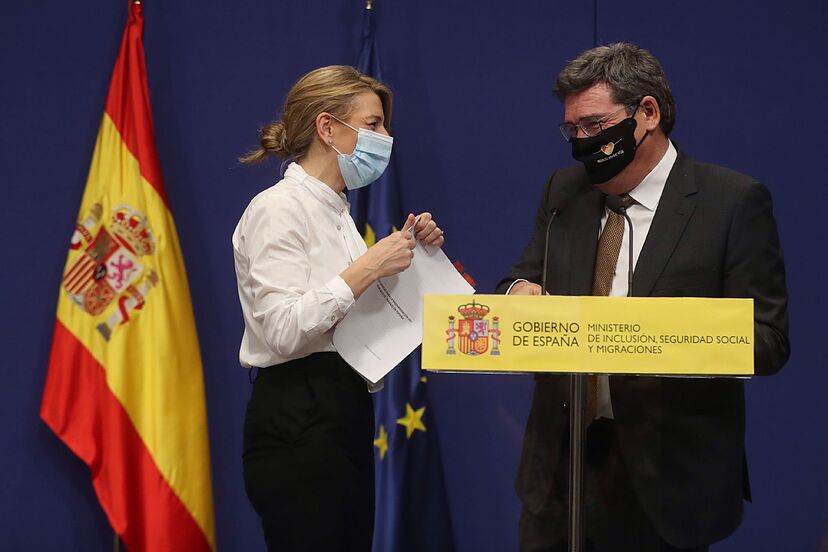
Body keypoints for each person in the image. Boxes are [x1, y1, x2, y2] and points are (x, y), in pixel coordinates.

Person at [497, 43, 789, 552]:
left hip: (666, 477)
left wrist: (668, 336)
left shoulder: (731, 202)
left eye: (594, 125)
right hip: (561, 470)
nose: (581, 142)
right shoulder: (563, 192)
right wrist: (518, 293)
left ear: (647, 113)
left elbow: (769, 340)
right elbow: (519, 279)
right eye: (572, 130)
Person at [232, 65, 445, 551]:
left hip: (342, 407)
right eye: (373, 124)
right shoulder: (277, 209)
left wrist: (414, 258)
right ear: (327, 127)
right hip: (298, 413)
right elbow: (283, 330)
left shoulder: (337, 212)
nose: (385, 138)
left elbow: (352, 318)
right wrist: (369, 265)